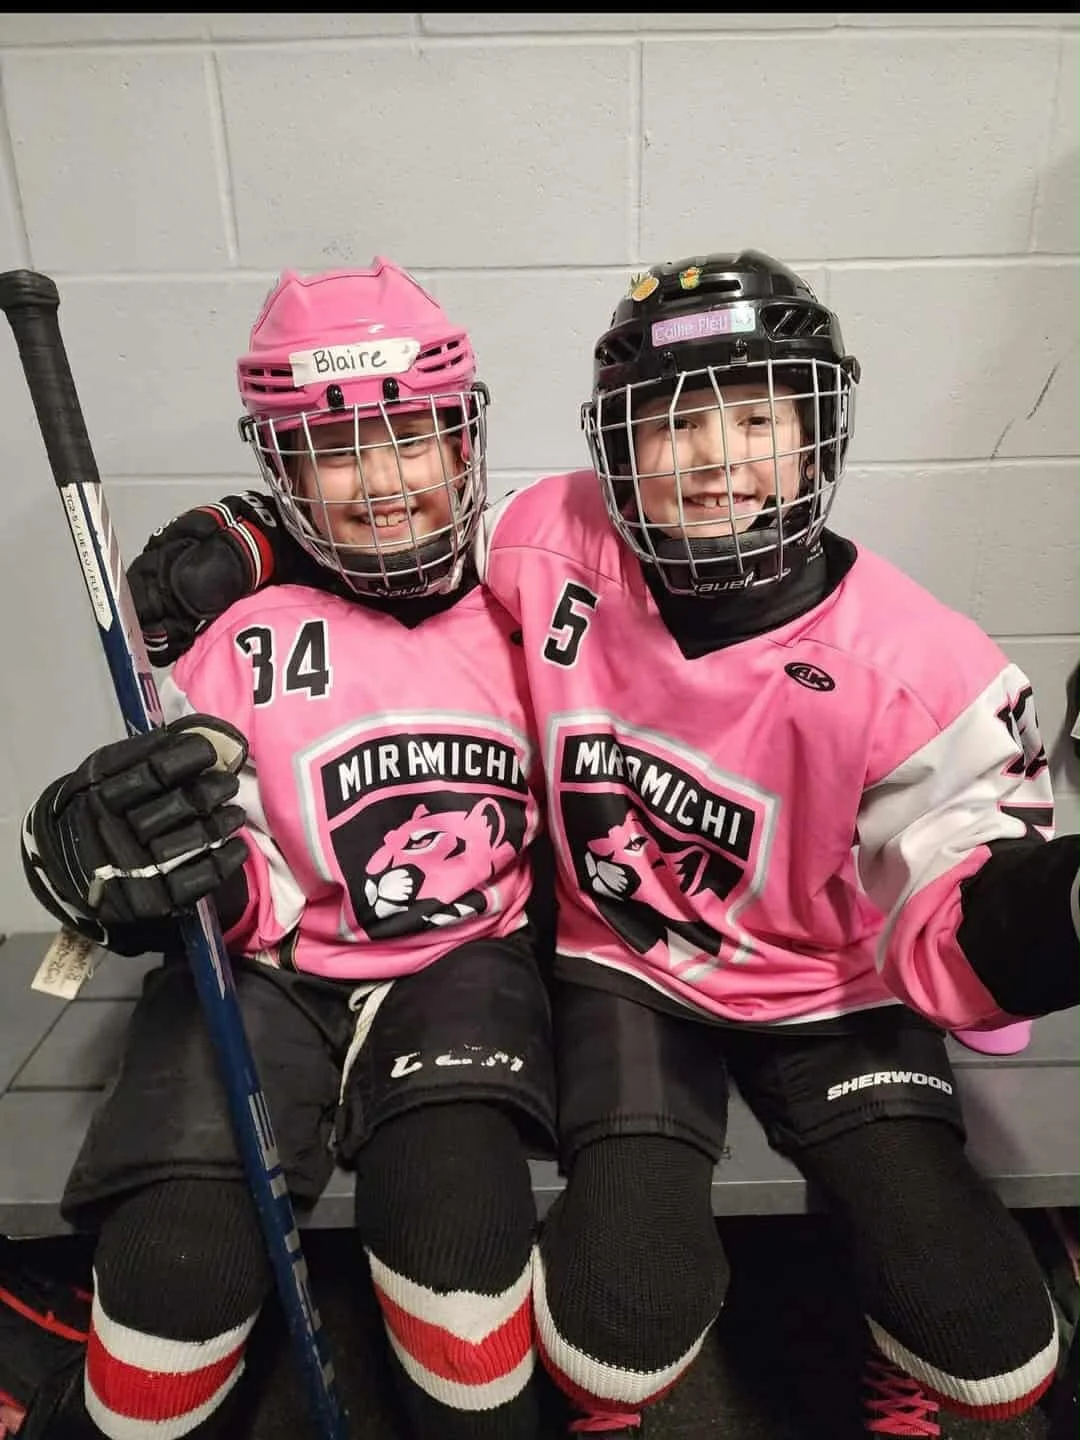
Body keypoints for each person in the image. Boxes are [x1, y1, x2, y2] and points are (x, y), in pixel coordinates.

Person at [34, 250, 1080, 1439]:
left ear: (818, 430)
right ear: (615, 450)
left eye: (755, 419)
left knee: (994, 1353)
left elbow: (965, 913)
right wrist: (254, 547)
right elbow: (374, 574)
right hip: (621, 970)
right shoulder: (544, 545)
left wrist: (1056, 913)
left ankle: (887, 1340)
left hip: (814, 987)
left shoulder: (912, 657)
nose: (719, 458)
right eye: (676, 424)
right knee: (592, 1332)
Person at [18, 259, 557, 1440]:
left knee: (461, 1249)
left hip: (461, 966)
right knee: (174, 1276)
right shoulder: (239, 634)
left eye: (412, 435)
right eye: (337, 448)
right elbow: (196, 828)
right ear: (281, 469)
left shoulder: (534, 603)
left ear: (464, 441)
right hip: (276, 972)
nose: (381, 478)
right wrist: (126, 861)